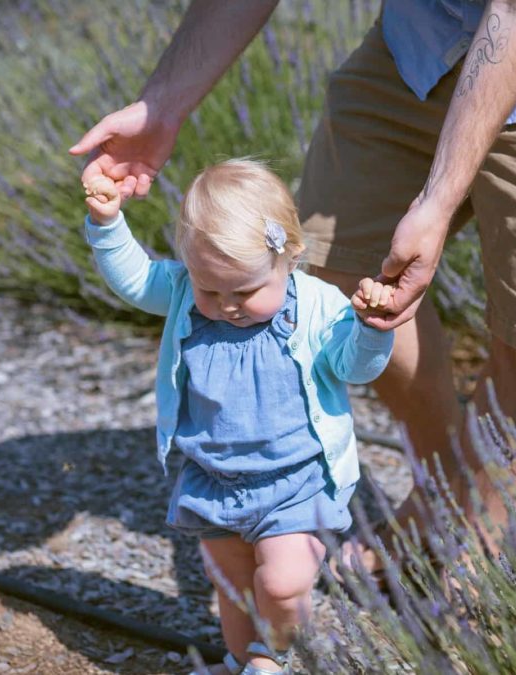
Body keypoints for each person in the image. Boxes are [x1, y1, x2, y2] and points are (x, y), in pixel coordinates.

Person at [70, 0, 516, 569]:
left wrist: (437, 203)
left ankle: (475, 573)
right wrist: (162, 105)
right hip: (425, 36)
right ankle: (445, 491)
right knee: (341, 273)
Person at [82, 158, 394, 674]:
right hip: (213, 478)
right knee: (232, 588)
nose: (227, 305)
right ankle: (240, 658)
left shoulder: (318, 307)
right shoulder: (185, 293)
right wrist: (107, 224)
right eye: (211, 290)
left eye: (245, 292)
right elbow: (136, 281)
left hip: (297, 479)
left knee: (282, 582)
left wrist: (373, 330)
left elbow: (355, 368)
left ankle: (272, 658)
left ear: (290, 257)